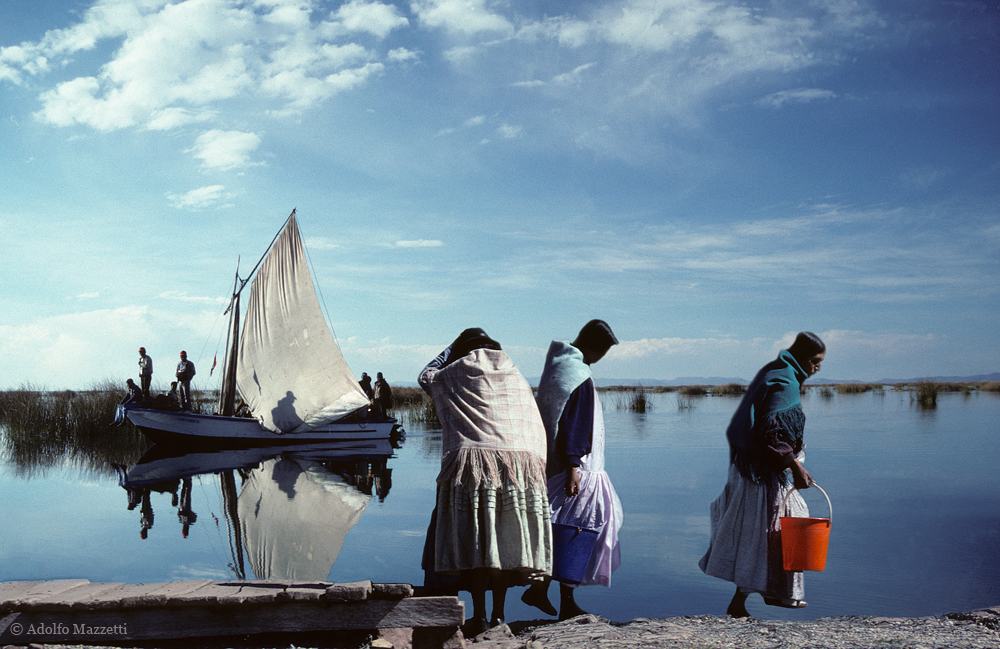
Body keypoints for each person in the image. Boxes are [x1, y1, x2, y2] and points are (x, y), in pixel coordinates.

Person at [418, 328, 551, 635]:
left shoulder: (454, 373)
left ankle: (478, 616)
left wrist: (451, 348)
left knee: (479, 545)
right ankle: (500, 616)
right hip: (517, 471)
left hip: (472, 469)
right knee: (500, 544)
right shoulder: (514, 376)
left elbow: (426, 374)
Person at [698, 331, 826, 617]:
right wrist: (795, 466)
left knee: (762, 533)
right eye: (816, 361)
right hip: (761, 470)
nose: (818, 367)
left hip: (753, 467)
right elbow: (771, 432)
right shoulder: (784, 380)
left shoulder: (777, 372)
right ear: (803, 357)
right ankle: (759, 598)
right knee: (774, 529)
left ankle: (762, 596)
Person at [522, 319, 624, 620]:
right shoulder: (579, 375)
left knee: (558, 525)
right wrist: (573, 467)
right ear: (595, 347)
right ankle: (564, 601)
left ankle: (542, 590)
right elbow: (576, 425)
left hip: (557, 463)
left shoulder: (557, 370)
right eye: (602, 351)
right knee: (582, 526)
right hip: (578, 466)